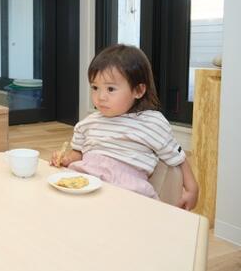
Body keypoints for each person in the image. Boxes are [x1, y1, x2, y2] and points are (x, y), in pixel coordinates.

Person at [50, 44, 198, 210]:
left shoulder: (152, 123)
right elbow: (78, 153)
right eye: (95, 87)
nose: (100, 97)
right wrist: (66, 159)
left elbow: (177, 158)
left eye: (111, 89)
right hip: (87, 182)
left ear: (138, 90)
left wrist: (192, 189)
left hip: (128, 189)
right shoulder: (88, 123)